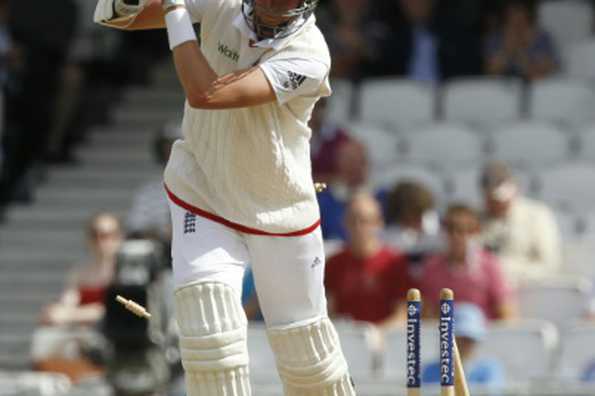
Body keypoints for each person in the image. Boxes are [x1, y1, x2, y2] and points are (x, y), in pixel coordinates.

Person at [95, 0, 356, 394]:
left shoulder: (309, 54)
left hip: (278, 208)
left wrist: (176, 8)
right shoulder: (225, 3)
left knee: (306, 357)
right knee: (210, 338)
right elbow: (116, 17)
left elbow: (206, 94)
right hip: (204, 191)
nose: (269, 5)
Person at [32, 213, 123, 381]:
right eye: (96, 235)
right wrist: (56, 313)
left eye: (107, 235)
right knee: (43, 339)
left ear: (118, 237)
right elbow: (68, 302)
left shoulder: (125, 274)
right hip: (80, 333)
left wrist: (69, 315)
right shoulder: (80, 272)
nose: (102, 241)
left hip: (110, 334)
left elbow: (112, 311)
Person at [325, 191, 413, 330]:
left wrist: (375, 334)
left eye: (365, 221)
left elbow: (404, 314)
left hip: (385, 343)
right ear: (344, 223)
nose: (358, 227)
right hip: (346, 341)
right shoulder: (334, 263)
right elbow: (329, 311)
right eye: (353, 220)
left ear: (378, 223)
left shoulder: (394, 263)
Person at [419, 204, 516, 321]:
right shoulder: (431, 267)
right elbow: (426, 314)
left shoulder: (490, 265)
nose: (456, 236)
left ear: (475, 233)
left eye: (462, 230)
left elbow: (507, 314)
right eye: (450, 230)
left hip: (483, 335)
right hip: (443, 335)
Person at [479, 161, 562, 286]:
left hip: (530, 290)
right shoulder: (476, 218)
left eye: (500, 199)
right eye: (492, 199)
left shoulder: (537, 215)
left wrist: (507, 271)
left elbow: (549, 264)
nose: (497, 204)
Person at [422, 303, 506, 391]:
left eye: (468, 339)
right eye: (458, 339)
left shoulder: (490, 369)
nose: (463, 344)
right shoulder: (430, 371)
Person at [484, 0, 559, 81]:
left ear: (528, 14)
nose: (516, 18)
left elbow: (546, 69)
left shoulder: (542, 38)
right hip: (500, 90)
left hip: (540, 89)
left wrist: (521, 53)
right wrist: (508, 49)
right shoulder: (494, 38)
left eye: (519, 12)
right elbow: (491, 71)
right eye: (511, 14)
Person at [383, 180, 442, 268]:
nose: (419, 220)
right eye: (413, 215)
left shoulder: (435, 230)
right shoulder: (388, 238)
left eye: (421, 213)